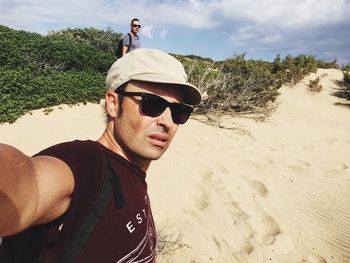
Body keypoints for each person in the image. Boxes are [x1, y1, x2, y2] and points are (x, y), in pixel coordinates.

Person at [0, 48, 201, 262]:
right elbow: (27, 185)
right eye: (152, 104)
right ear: (114, 104)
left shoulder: (131, 171)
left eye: (179, 111)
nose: (167, 122)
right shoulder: (87, 163)